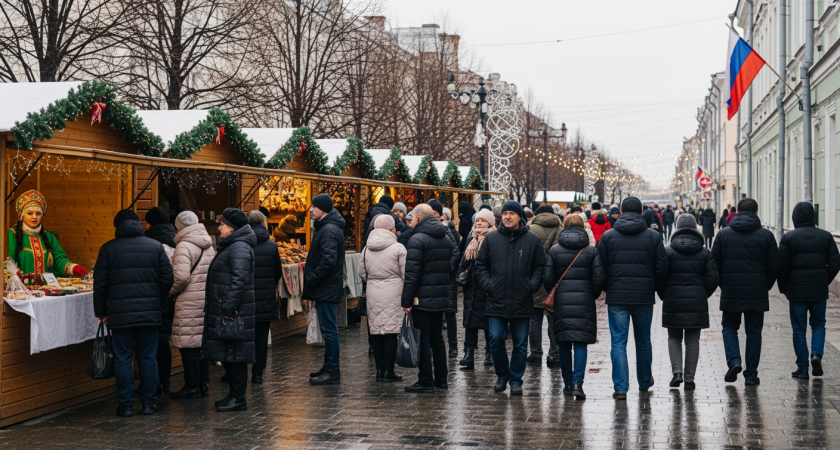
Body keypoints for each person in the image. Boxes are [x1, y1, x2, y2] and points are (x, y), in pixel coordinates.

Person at [93, 209, 174, 417]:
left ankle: (126, 405)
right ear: (139, 224)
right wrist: (159, 301)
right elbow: (168, 279)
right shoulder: (155, 247)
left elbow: (100, 284)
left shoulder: (108, 249)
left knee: (122, 358)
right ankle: (148, 404)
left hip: (120, 314)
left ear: (117, 226)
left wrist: (101, 310)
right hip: (150, 313)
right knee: (148, 358)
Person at [597, 197, 668, 399]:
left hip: (617, 296)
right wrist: (655, 288)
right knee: (643, 340)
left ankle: (620, 387)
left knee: (618, 342)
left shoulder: (608, 237)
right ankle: (644, 381)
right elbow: (662, 268)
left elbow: (599, 267)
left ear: (620, 211)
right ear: (640, 212)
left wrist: (606, 288)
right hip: (644, 296)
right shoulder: (653, 237)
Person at [475, 201, 545, 396]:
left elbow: (540, 266)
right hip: (496, 299)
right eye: (504, 213)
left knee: (521, 343)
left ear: (519, 216)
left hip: (522, 299)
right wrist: (489, 285)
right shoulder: (491, 239)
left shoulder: (532, 239)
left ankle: (515, 380)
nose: (507, 217)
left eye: (511, 214)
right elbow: (480, 266)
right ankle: (502, 375)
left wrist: (531, 286)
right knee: (496, 338)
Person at [712, 198, 779, 386]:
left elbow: (714, 264)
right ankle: (751, 374)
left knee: (729, 327)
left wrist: (724, 284)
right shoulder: (766, 236)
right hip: (756, 292)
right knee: (754, 332)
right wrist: (764, 285)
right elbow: (774, 265)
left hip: (731, 290)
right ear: (757, 213)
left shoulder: (723, 235)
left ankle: (734, 361)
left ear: (737, 212)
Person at [544, 213, 605, 399]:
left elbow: (547, 279)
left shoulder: (555, 250)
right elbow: (598, 279)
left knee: (563, 342)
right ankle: (578, 384)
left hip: (562, 302)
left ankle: (567, 383)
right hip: (584, 302)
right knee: (580, 343)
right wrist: (591, 295)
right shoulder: (591, 251)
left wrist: (557, 291)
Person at [201, 208, 256, 412]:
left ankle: (238, 397)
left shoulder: (239, 247)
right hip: (230, 310)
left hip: (235, 312)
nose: (220, 227)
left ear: (232, 227)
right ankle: (234, 395)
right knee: (230, 355)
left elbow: (239, 280)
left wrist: (228, 308)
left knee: (235, 356)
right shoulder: (233, 245)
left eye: (222, 224)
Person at [401, 204, 459, 392]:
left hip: (422, 298)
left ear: (418, 218)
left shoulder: (417, 239)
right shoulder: (445, 237)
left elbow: (412, 274)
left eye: (411, 218)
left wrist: (406, 301)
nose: (410, 222)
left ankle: (426, 380)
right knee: (437, 338)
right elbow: (450, 267)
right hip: (441, 296)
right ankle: (441, 379)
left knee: (423, 338)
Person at [778, 202, 840, 379]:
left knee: (799, 329)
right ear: (813, 216)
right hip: (818, 291)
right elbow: (836, 262)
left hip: (796, 292)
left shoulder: (788, 238)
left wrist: (784, 288)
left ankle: (802, 368)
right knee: (818, 324)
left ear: (795, 217)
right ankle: (816, 354)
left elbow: (782, 267)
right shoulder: (826, 237)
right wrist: (824, 280)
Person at [658, 214, 718, 390]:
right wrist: (702, 293)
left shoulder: (667, 251)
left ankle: (677, 373)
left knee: (674, 337)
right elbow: (713, 279)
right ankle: (690, 379)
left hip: (673, 300)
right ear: (695, 228)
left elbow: (660, 277)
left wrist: (665, 294)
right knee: (693, 341)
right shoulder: (704, 252)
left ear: (677, 228)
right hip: (696, 301)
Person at [168, 211, 215, 400]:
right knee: (200, 344)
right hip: (205, 300)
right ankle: (203, 385)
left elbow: (180, 277)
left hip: (188, 300)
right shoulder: (208, 245)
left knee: (187, 345)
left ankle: (191, 386)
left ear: (178, 226)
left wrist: (170, 292)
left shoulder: (184, 246)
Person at [303, 194, 346, 385]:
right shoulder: (327, 227)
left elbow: (328, 260)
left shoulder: (328, 229)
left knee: (329, 329)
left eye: (314, 206)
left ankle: (332, 370)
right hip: (326, 286)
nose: (310, 209)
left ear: (324, 209)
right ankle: (329, 366)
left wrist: (312, 279)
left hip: (326, 286)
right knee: (328, 328)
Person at [359, 214, 406, 382]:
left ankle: (379, 371)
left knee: (376, 332)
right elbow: (405, 273)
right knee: (391, 333)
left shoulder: (366, 249)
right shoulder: (399, 248)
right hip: (394, 293)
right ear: (391, 228)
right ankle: (389, 370)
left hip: (373, 292)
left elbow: (362, 274)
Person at [9, 189, 88, 277]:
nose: (34, 217)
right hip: (21, 288)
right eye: (30, 213)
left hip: (46, 288)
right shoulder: (12, 235)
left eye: (38, 213)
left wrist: (72, 267)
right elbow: (6, 263)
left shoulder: (49, 237)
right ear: (22, 216)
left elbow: (58, 260)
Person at [143, 207, 177, 395]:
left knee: (148, 343)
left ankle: (152, 383)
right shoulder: (176, 240)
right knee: (164, 342)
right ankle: (166, 382)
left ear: (149, 223)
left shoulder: (149, 241)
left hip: (150, 298)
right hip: (169, 299)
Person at [457, 208, 495, 369]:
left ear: (489, 223)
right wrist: (462, 272)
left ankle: (490, 353)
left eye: (483, 220)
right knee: (470, 321)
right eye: (477, 220)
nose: (479, 223)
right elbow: (463, 261)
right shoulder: (470, 239)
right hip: (471, 287)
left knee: (488, 322)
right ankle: (469, 354)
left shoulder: (493, 238)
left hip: (487, 287)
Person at [247, 210, 282, 384]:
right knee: (261, 337)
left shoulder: (242, 243)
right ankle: (257, 374)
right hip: (265, 298)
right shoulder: (271, 245)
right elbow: (278, 272)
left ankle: (237, 371)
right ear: (264, 224)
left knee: (244, 335)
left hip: (245, 298)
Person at [527, 204, 563, 367]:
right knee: (553, 319)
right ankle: (554, 355)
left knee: (534, 320)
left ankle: (535, 354)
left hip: (535, 277)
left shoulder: (530, 229)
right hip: (555, 280)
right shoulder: (561, 229)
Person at [430, 200, 461, 358]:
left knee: (449, 313)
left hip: (446, 278)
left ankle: (453, 346)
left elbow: (455, 252)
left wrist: (446, 269)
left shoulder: (444, 230)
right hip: (431, 278)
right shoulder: (422, 229)